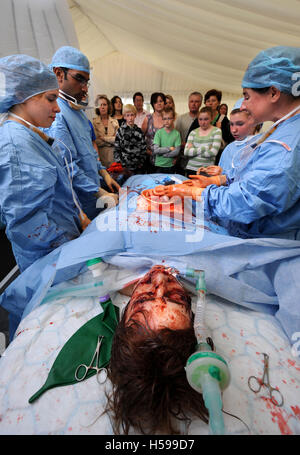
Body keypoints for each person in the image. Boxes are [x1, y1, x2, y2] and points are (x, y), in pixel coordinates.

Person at [158, 46, 300, 240]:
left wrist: (197, 193)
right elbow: (253, 175)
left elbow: (248, 201)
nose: (243, 105)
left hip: (265, 243)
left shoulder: (287, 145)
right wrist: (220, 180)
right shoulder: (281, 129)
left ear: (274, 93)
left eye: (247, 96)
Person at [0, 54, 85, 275]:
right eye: (50, 99)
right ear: (21, 95)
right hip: (49, 258)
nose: (57, 108)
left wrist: (78, 218)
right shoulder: (16, 145)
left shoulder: (29, 135)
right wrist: (70, 248)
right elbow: (27, 224)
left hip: (61, 247)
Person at [105, 265, 209, 435]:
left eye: (144, 297)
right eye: (176, 297)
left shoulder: (112, 274)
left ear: (125, 312)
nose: (160, 278)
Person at [47, 46, 119, 220]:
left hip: (91, 195)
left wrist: (103, 173)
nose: (85, 88)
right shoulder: (56, 115)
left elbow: (89, 152)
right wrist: (99, 192)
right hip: (75, 203)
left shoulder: (78, 112)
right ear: (58, 73)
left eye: (86, 82)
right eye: (79, 79)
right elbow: (67, 167)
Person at [186, 90, 234, 165]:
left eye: (213, 101)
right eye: (208, 101)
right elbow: (188, 139)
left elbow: (230, 140)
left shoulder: (223, 120)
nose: (210, 103)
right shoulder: (199, 119)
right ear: (205, 103)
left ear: (219, 102)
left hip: (216, 159)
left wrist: (219, 129)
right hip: (196, 161)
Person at [184, 107, 222, 175]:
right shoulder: (193, 132)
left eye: (206, 119)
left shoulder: (217, 131)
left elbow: (213, 153)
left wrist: (194, 150)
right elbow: (186, 152)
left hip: (207, 170)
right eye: (200, 119)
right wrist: (206, 148)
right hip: (191, 168)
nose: (203, 122)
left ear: (211, 118)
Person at [113, 104, 147, 178]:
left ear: (135, 116)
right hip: (124, 168)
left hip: (138, 167)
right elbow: (116, 149)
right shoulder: (120, 131)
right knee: (125, 187)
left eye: (132, 115)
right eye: (128, 115)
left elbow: (143, 148)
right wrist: (120, 165)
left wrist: (141, 162)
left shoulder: (139, 131)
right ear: (124, 116)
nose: (130, 118)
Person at [174, 92, 203, 175]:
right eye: (191, 101)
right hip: (183, 157)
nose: (194, 104)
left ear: (200, 103)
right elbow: (176, 137)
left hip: (198, 158)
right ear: (188, 103)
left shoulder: (203, 119)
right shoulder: (181, 118)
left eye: (196, 101)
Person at [141, 92, 166, 173]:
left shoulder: (168, 118)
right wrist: (147, 151)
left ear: (164, 103)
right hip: (150, 158)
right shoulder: (147, 118)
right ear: (152, 104)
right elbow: (140, 139)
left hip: (165, 158)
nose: (159, 103)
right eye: (156, 102)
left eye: (161, 101)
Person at [93, 94, 120, 168]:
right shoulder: (94, 122)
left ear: (108, 106)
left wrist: (103, 138)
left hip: (113, 157)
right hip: (100, 157)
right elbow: (96, 141)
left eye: (104, 104)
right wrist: (110, 140)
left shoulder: (114, 121)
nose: (102, 107)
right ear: (97, 107)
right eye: (100, 105)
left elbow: (117, 140)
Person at [153, 105, 181, 174]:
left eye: (169, 118)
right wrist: (169, 148)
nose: (167, 121)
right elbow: (156, 150)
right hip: (159, 165)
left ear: (174, 119)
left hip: (170, 165)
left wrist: (166, 155)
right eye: (165, 119)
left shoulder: (177, 134)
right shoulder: (159, 133)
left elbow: (177, 151)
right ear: (162, 119)